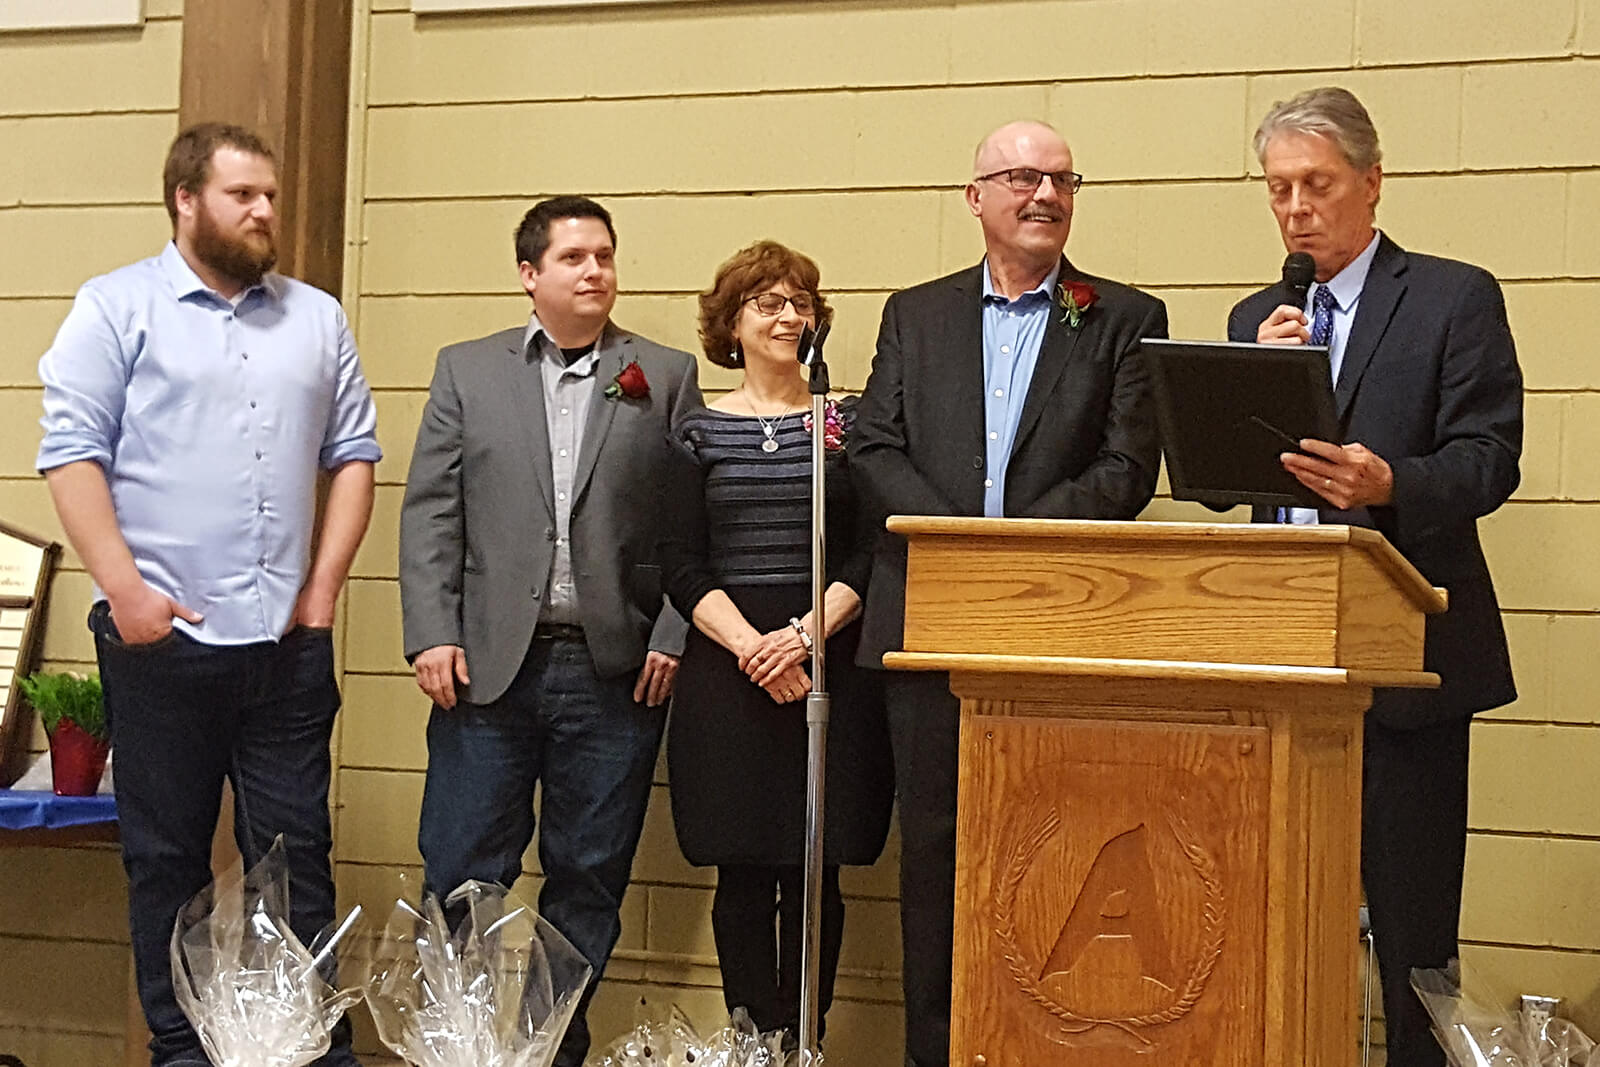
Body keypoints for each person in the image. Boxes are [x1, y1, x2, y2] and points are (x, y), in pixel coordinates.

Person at [36, 122, 380, 1066]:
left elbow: (353, 457)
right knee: (166, 861)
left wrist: (322, 597)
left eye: (269, 194)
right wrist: (126, 592)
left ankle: (310, 1046)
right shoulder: (115, 308)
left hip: (286, 646)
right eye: (243, 196)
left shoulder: (316, 316)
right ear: (185, 199)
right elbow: (70, 455)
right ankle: (180, 1049)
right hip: (163, 645)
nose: (265, 210)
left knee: (297, 858)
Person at [849, 119, 1166, 1067]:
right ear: (975, 196)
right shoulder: (916, 312)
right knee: (937, 859)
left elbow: (1126, 469)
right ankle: (935, 1051)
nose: (1045, 194)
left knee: (1056, 860)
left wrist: (1011, 557)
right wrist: (959, 549)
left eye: (1063, 179)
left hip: (1057, 622)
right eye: (1023, 177)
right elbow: (874, 446)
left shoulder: (1122, 315)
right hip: (928, 622)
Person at [1228, 86, 1522, 1067]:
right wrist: (1247, 387)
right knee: (1275, 921)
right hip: (1279, 662)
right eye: (1278, 190)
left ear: (1370, 180)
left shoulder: (1451, 296)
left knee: (1410, 935)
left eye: (1315, 184)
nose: (1295, 208)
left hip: (1409, 664)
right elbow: (1226, 485)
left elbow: (1490, 458)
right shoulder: (1254, 314)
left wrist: (1390, 481)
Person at [398, 195, 702, 1067]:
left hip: (615, 673)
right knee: (460, 870)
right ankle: (455, 1052)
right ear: (530, 275)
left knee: (589, 880)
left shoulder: (664, 373)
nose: (595, 271)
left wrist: (673, 633)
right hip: (485, 670)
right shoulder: (467, 370)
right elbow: (431, 514)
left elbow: (691, 520)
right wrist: (430, 633)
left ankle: (549, 1052)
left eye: (604, 255)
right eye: (573, 257)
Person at [660, 240, 893, 1041]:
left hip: (828, 655)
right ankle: (750, 1038)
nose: (789, 316)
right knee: (743, 868)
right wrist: (753, 649)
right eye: (769, 302)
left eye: (801, 303)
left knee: (815, 867)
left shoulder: (847, 424)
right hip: (728, 671)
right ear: (731, 323)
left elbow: (871, 548)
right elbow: (680, 563)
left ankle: (805, 1037)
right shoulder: (695, 433)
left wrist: (801, 638)